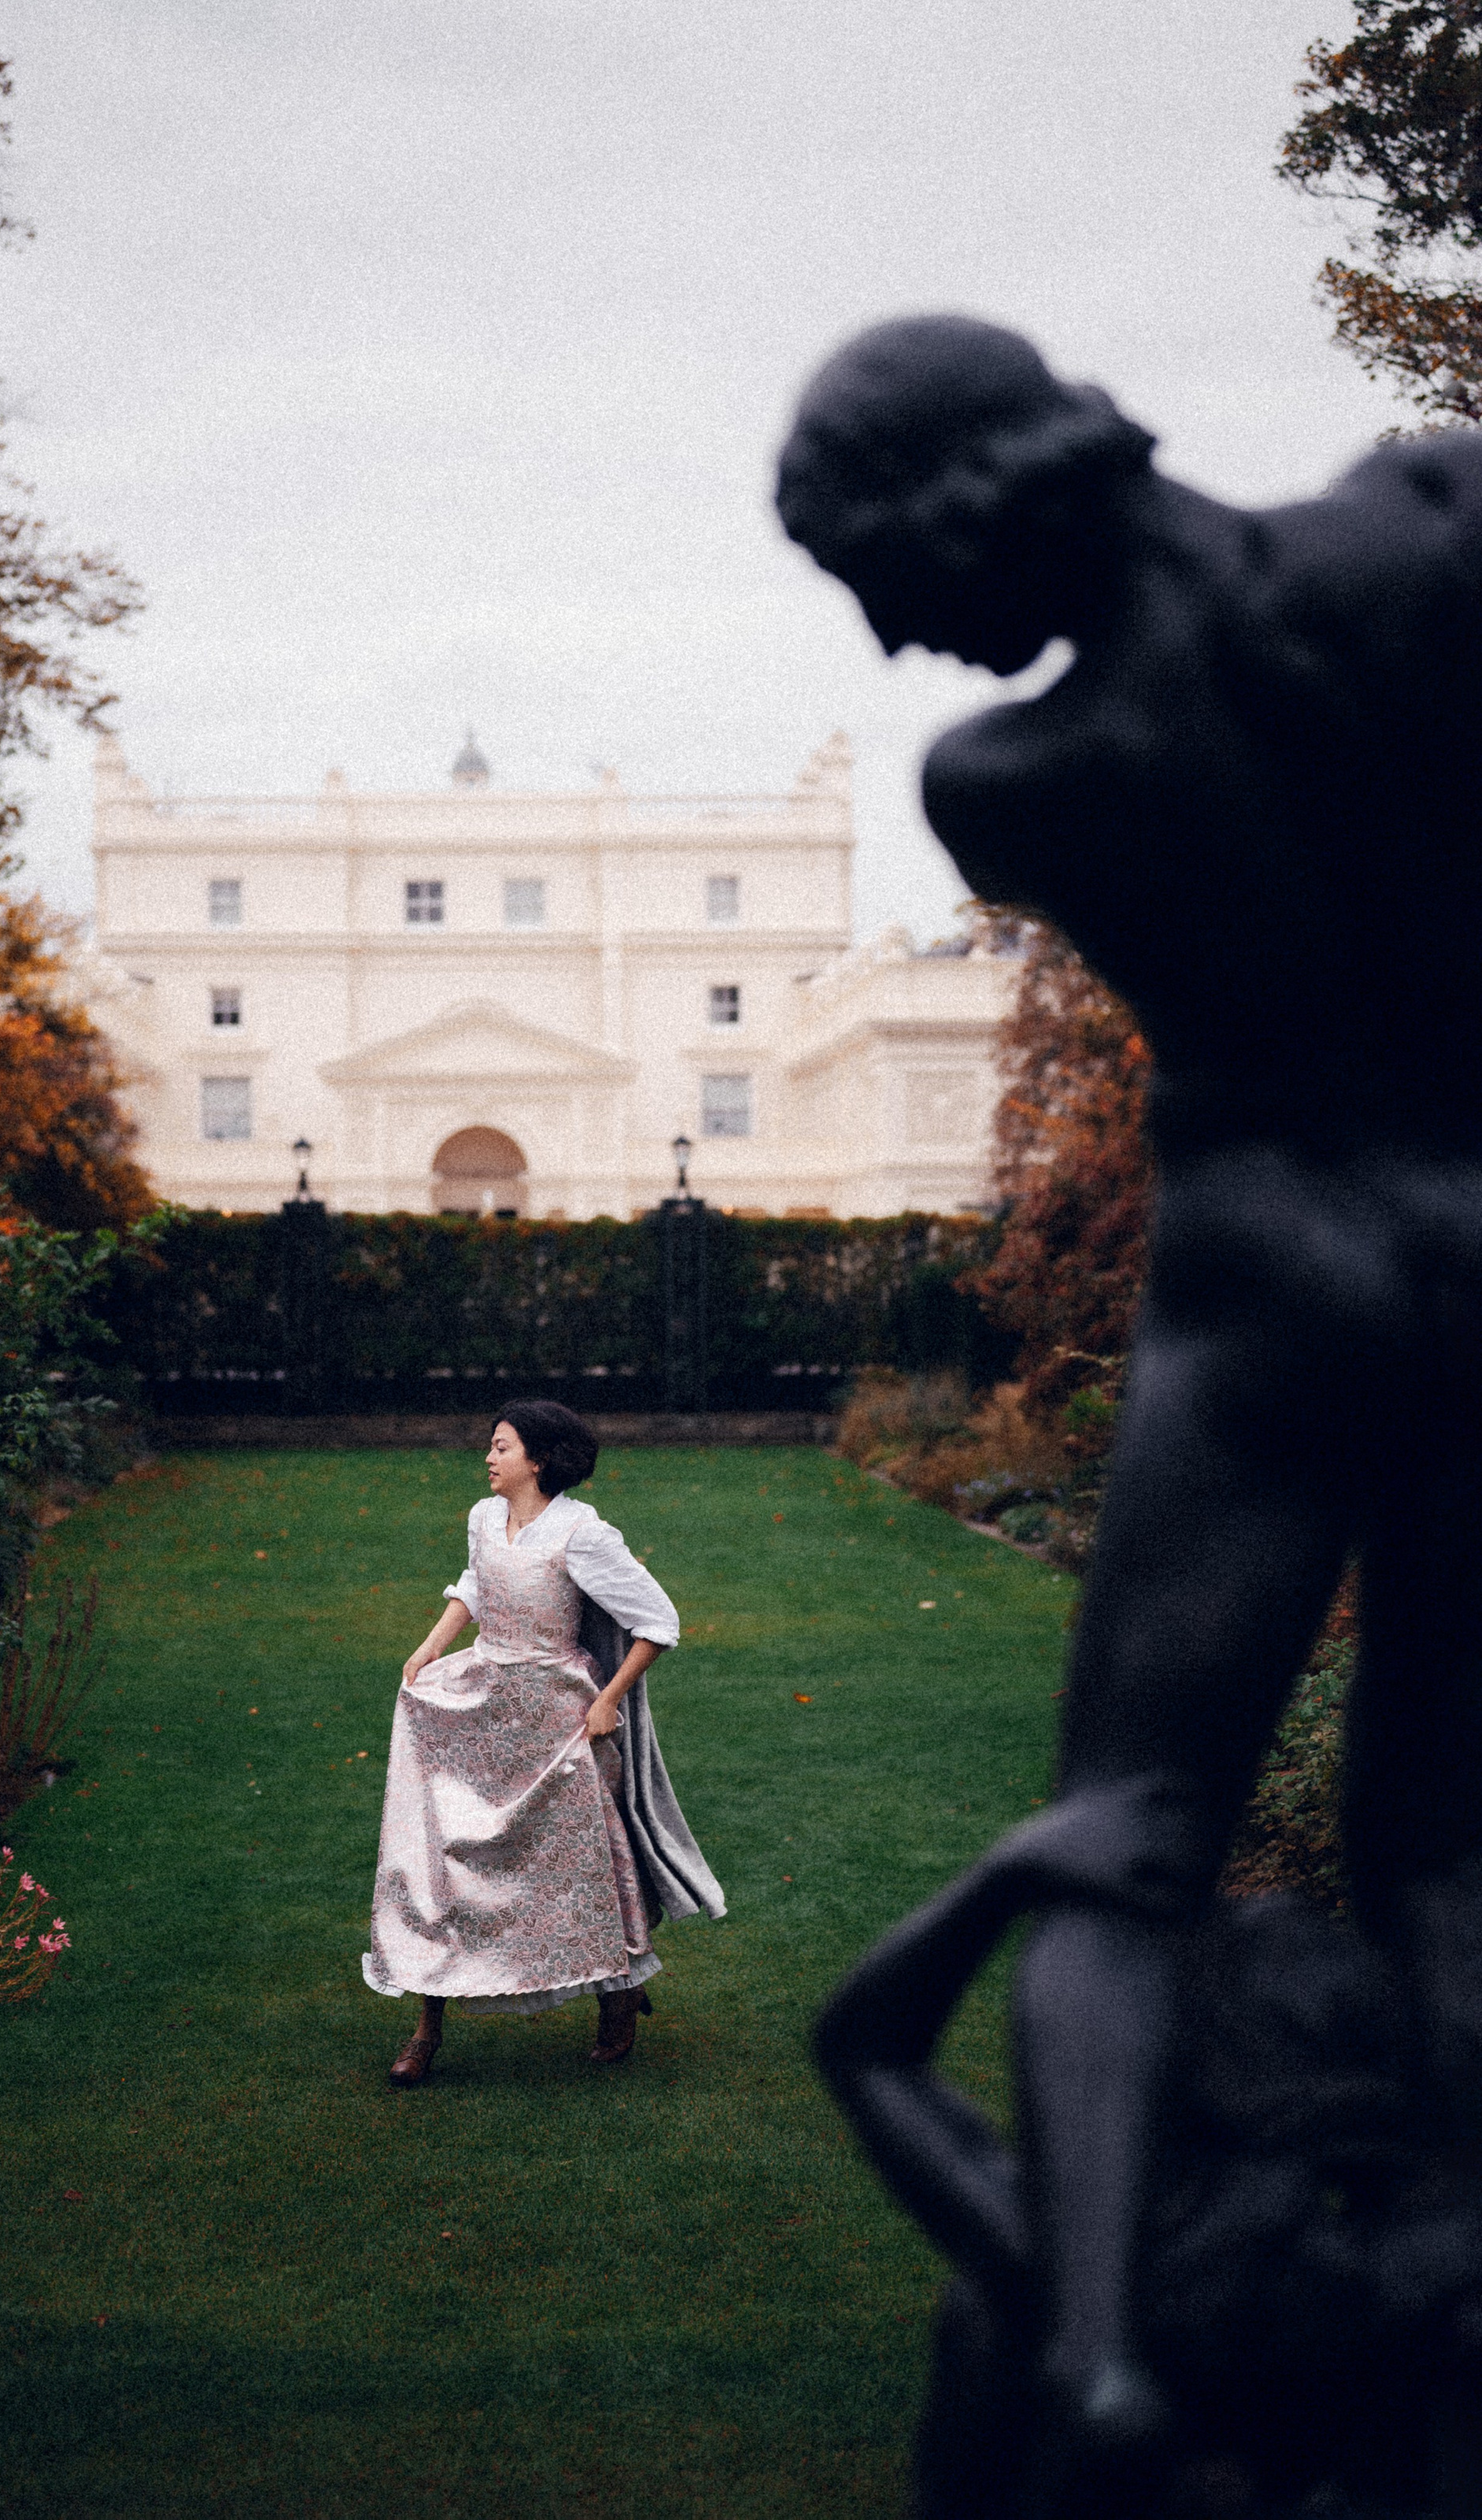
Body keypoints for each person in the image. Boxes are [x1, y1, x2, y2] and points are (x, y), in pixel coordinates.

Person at [774, 316, 1482, 2509]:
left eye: (880, 569)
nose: (901, 639)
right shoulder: (1436, 534)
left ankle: (1092, 2354)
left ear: (974, 499)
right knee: (1447, 1836)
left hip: (1265, 1281)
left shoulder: (1010, 782)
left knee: (1127, 1833)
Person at [364, 1399, 724, 2085]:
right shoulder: (481, 1517)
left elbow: (658, 1621)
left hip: (556, 1716)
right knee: (440, 1855)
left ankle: (617, 1995)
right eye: (490, 1447)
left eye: (501, 1447)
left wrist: (607, 1702)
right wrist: (431, 1646)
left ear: (539, 1460)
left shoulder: (582, 1534)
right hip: (479, 1701)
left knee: (582, 1864)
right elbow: (475, 1581)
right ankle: (425, 2027)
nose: (488, 1458)